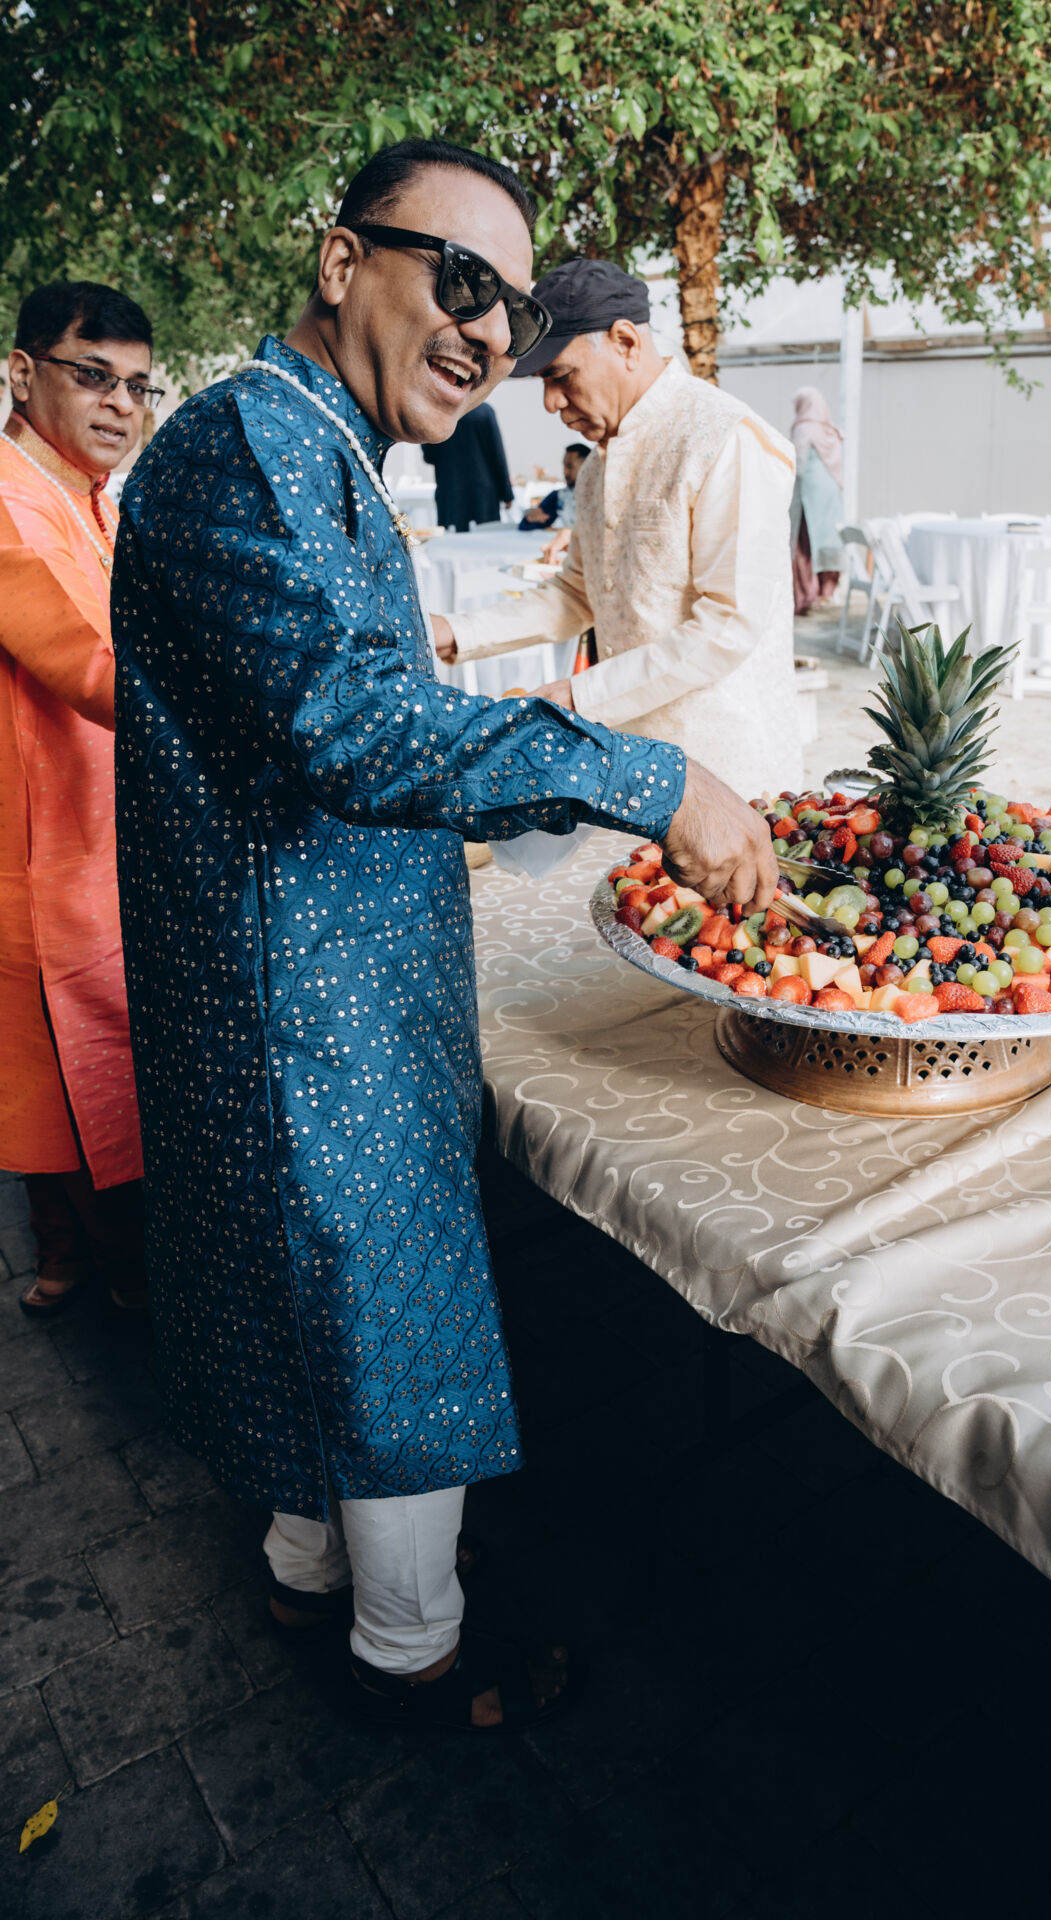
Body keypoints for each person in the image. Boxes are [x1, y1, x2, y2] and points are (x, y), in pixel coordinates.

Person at [111, 137, 776, 1734]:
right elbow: (354, 729)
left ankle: (305, 1567)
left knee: (313, 1310)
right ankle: (414, 1658)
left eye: (516, 309)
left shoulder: (314, 442)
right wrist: (648, 776)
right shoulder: (255, 445)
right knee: (383, 1315)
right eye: (461, 280)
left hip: (315, 978)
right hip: (305, 1009)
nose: (490, 333)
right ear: (342, 261)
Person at [431, 258, 805, 798]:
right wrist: (455, 631)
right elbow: (578, 594)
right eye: (542, 382)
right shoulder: (597, 467)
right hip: (630, 764)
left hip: (728, 771)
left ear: (626, 342)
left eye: (561, 375)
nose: (550, 403)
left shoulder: (726, 438)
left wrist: (577, 696)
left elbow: (727, 626)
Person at [0, 280, 159, 1319]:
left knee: (62, 1068)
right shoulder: (10, 500)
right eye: (94, 376)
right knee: (66, 1064)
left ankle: (67, 1263)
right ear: (23, 372)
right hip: (39, 848)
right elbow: (92, 664)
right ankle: (114, 1280)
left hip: (95, 833)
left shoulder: (88, 495)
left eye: (138, 387)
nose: (120, 406)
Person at [790, 386, 845, 616]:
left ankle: (806, 596)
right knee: (828, 539)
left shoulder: (803, 428)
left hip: (809, 495)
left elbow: (798, 462)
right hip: (831, 494)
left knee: (804, 543)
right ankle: (827, 590)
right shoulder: (831, 431)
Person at [420, 397, 512, 529]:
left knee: (451, 540)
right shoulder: (485, 411)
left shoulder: (435, 413)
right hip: (484, 492)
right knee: (487, 538)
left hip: (449, 490)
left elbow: (429, 457)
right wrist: (507, 494)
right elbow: (497, 455)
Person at [519, 442, 588, 529]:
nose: (565, 472)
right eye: (564, 466)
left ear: (588, 467)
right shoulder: (558, 497)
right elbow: (526, 526)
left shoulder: (601, 496)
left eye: (570, 467)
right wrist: (529, 519)